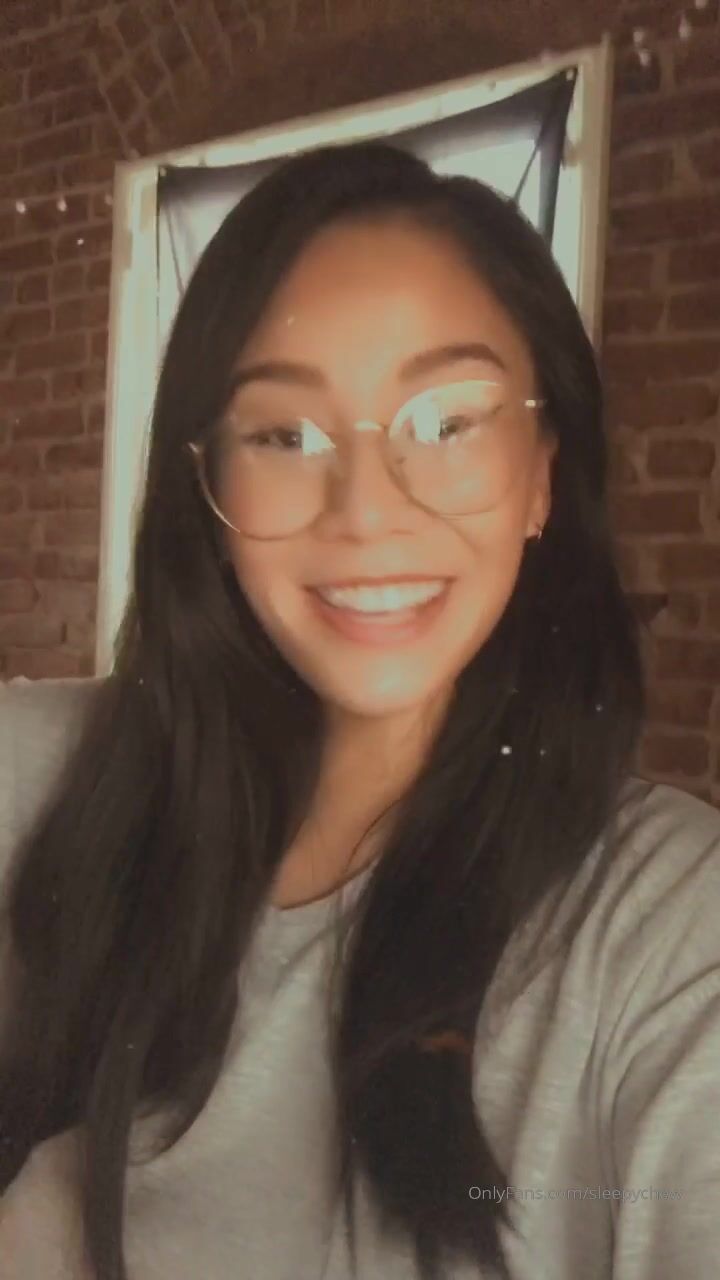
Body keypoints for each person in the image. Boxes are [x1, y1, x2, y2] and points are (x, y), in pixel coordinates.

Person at [0, 139, 719, 1280]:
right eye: (285, 435)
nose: (367, 511)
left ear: (542, 473)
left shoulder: (665, 931)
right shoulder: (42, 777)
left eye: (447, 421)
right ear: (208, 484)